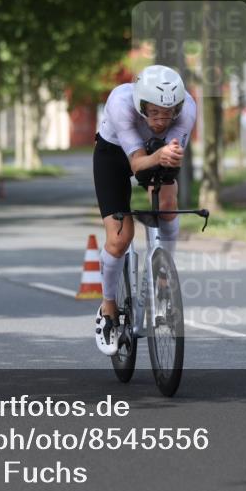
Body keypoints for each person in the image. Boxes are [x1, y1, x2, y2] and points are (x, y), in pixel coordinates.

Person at [92, 65, 196, 356]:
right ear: (141, 106)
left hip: (155, 149)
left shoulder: (187, 110)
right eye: (154, 113)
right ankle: (108, 306)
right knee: (120, 238)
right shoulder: (120, 103)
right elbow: (137, 164)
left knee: (167, 206)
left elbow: (170, 161)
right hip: (114, 153)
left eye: (168, 113)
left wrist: (169, 156)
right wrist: (160, 155)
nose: (162, 120)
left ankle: (164, 275)